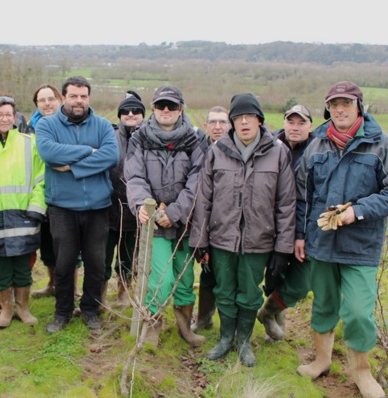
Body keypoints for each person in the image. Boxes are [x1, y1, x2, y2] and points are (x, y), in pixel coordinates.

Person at [295, 81, 388, 397]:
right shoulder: (316, 147)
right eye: (334, 104)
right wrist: (301, 236)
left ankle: (361, 371)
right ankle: (321, 361)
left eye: (346, 103)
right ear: (327, 109)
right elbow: (302, 196)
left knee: (359, 312)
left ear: (359, 106)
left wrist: (356, 211)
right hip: (321, 243)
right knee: (323, 305)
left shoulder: (383, 145)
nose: (340, 109)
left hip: (361, 245)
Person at [189, 93, 296, 366]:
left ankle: (244, 341)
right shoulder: (216, 152)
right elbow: (204, 200)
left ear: (260, 120)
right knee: (224, 291)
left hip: (259, 241)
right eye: (238, 117)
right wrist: (200, 240)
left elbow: (286, 203)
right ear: (232, 122)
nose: (244, 122)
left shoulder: (278, 152)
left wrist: (282, 249)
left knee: (249, 293)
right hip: (222, 239)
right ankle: (226, 339)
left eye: (250, 116)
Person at [124, 85, 208, 347]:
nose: (166, 110)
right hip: (154, 224)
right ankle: (152, 325)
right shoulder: (139, 138)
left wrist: (175, 212)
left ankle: (185, 327)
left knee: (183, 280)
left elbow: (198, 180)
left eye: (172, 105)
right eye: (161, 105)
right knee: (161, 280)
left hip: (184, 222)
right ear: (153, 108)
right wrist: (143, 205)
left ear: (181, 109)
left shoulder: (196, 139)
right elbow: (135, 177)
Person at [35, 76, 119, 333]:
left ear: (88, 98)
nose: (79, 101)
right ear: (64, 98)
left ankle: (91, 309)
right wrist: (89, 151)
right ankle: (62, 312)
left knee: (96, 263)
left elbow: (111, 156)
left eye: (83, 96)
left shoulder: (103, 126)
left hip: (97, 207)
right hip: (63, 207)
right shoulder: (47, 125)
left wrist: (71, 165)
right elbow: (49, 153)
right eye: (73, 96)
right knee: (64, 263)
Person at [0, 93, 46, 328]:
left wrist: (36, 208)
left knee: (23, 267)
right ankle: (6, 309)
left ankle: (23, 308)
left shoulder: (29, 143)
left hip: (24, 217)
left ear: (15, 117)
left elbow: (41, 178)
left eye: (9, 115)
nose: (4, 119)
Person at [257, 104, 314, 341]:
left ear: (310, 126)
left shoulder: (318, 151)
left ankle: (267, 312)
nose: (296, 127)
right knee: (273, 277)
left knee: (302, 281)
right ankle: (276, 330)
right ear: (284, 123)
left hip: (305, 228)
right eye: (291, 122)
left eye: (301, 123)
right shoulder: (271, 147)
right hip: (274, 225)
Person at [28, 84, 83, 300]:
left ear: (59, 100)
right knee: (48, 245)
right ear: (36, 105)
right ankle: (52, 283)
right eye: (42, 100)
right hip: (40, 196)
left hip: (67, 193)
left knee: (71, 246)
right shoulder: (29, 128)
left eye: (50, 98)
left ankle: (74, 287)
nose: (47, 103)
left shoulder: (71, 123)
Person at [191, 106, 231, 333]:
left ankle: (230, 324)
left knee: (227, 277)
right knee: (207, 273)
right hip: (201, 219)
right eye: (213, 122)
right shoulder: (198, 150)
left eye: (223, 122)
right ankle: (204, 318)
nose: (218, 127)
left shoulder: (235, 151)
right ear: (205, 126)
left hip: (226, 223)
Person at [104, 90, 145, 309]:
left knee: (127, 257)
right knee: (102, 257)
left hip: (134, 212)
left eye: (136, 110)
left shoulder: (149, 138)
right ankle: (99, 295)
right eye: (126, 111)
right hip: (108, 208)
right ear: (120, 114)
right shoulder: (109, 136)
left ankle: (124, 292)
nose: (131, 114)